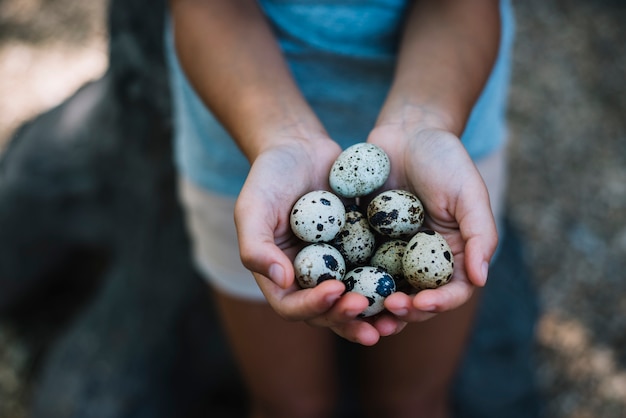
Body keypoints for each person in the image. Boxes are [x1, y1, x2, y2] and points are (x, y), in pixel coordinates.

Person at [165, 0, 515, 417]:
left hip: (443, 133)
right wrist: (281, 135)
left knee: (412, 404)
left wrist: (424, 122)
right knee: (289, 407)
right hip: (249, 154)